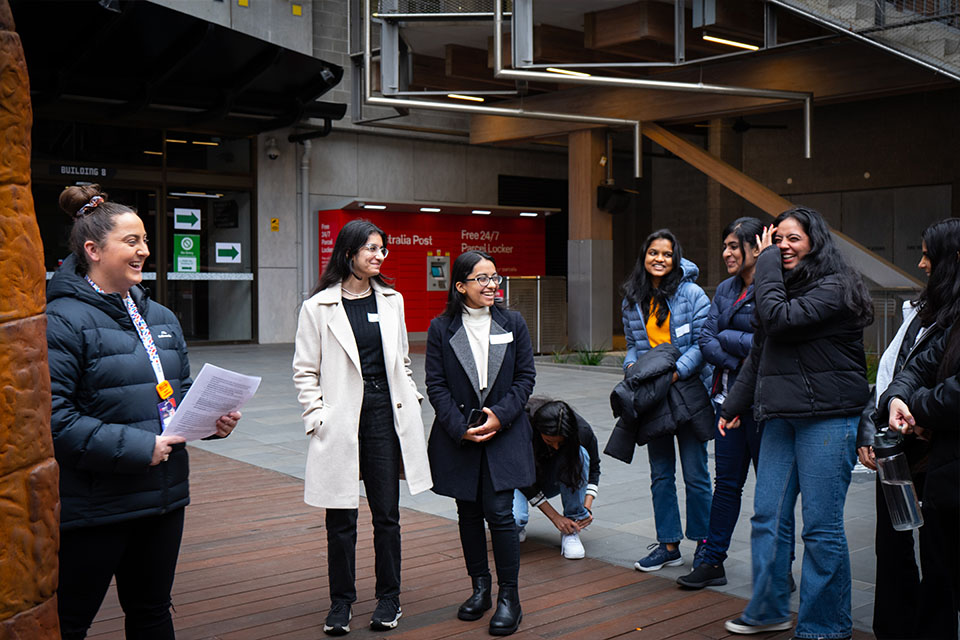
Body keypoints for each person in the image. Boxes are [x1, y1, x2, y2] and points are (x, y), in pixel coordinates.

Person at [47, 184, 240, 639]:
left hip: (163, 495)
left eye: (145, 241)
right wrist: (140, 446)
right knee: (70, 620)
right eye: (131, 242)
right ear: (93, 250)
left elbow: (178, 392)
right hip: (96, 504)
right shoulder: (61, 320)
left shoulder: (161, 318)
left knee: (152, 611)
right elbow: (53, 420)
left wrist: (212, 421)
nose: (145, 252)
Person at [720, 207, 873, 638]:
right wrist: (733, 405)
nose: (782, 247)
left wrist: (765, 260)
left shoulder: (835, 285)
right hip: (782, 418)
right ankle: (767, 609)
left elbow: (779, 320)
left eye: (793, 239)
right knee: (767, 515)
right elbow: (759, 355)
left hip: (828, 419)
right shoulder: (778, 289)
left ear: (815, 242)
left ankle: (825, 626)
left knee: (821, 529)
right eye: (778, 238)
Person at [292, 219, 432, 636]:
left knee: (387, 514)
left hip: (384, 416)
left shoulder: (392, 300)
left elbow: (403, 361)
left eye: (382, 249)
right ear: (348, 252)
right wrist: (316, 415)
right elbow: (304, 371)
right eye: (371, 249)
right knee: (341, 517)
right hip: (340, 416)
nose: (379, 256)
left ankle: (389, 598)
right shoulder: (318, 307)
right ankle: (341, 602)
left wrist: (412, 396)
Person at [680, 217, 799, 589]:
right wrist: (739, 356)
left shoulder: (776, 287)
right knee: (726, 485)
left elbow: (770, 341)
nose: (727, 253)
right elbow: (706, 337)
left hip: (767, 406)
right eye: (726, 245)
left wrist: (734, 344)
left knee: (772, 489)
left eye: (735, 246)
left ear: (755, 249)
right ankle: (712, 560)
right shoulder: (726, 289)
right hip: (727, 402)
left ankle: (780, 567)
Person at [856, 218, 959, 639]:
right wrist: (888, 409)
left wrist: (913, 407)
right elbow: (904, 370)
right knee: (906, 559)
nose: (920, 263)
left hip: (943, 465)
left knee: (942, 577)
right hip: (912, 458)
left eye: (928, 255)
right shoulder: (932, 314)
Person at [424, 250, 536, 636]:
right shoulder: (441, 328)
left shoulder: (514, 322)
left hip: (504, 431)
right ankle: (480, 589)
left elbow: (525, 379)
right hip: (461, 435)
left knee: (501, 513)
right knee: (468, 513)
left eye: (495, 277)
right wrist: (459, 426)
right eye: (482, 279)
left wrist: (500, 415)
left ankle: (510, 598)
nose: (492, 285)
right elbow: (435, 385)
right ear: (460, 286)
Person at [620, 229, 713, 572]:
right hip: (652, 396)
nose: (659, 259)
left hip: (687, 391)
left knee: (696, 473)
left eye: (667, 254)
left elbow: (704, 344)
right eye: (653, 253)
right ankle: (668, 544)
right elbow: (632, 342)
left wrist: (676, 374)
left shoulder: (692, 294)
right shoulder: (632, 298)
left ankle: (705, 545)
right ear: (644, 256)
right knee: (661, 473)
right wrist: (630, 364)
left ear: (676, 258)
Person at [512, 396, 601, 560]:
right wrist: (555, 517)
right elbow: (519, 476)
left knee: (580, 455)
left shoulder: (582, 431)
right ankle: (514, 527)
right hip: (517, 481)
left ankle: (571, 529)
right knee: (514, 520)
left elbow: (594, 468)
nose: (555, 447)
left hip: (550, 479)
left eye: (561, 443)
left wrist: (585, 509)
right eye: (549, 441)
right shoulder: (524, 427)